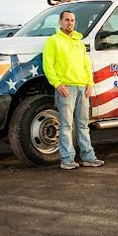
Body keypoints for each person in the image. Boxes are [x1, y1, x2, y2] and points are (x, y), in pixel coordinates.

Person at [43, 10, 104, 170]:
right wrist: (57, 84)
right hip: (66, 88)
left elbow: (86, 64)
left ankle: (88, 157)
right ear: (60, 22)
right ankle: (67, 159)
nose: (70, 23)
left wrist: (89, 83)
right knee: (66, 125)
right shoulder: (53, 41)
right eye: (67, 20)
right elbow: (47, 64)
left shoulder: (79, 42)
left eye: (72, 20)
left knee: (83, 124)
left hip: (82, 87)